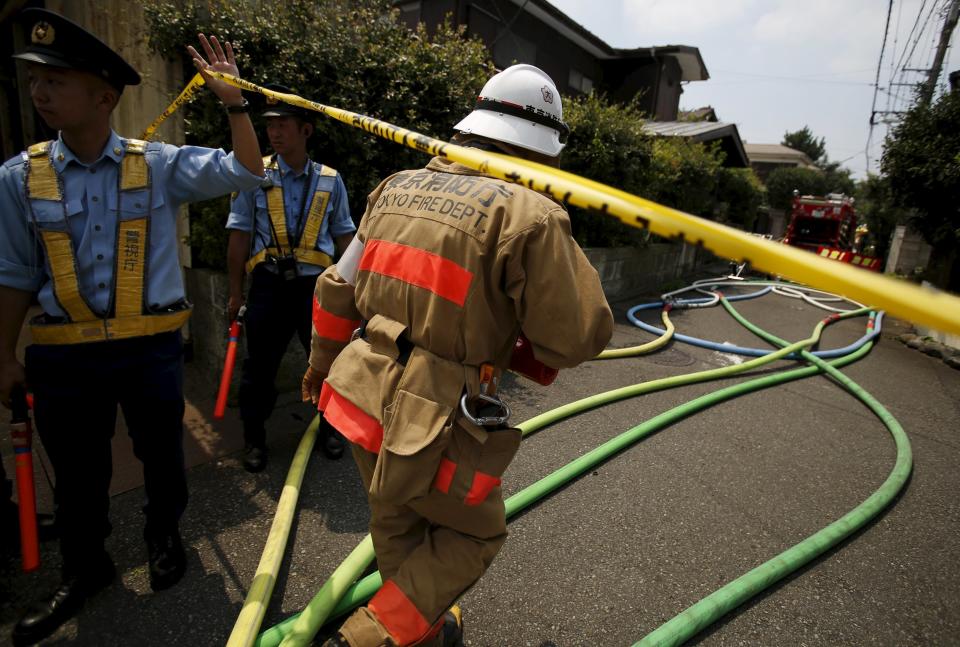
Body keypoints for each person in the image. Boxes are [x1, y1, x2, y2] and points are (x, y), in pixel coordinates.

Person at [302, 64, 613, 647]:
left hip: (358, 393)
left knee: (396, 523)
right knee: (473, 536)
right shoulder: (531, 215)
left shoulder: (395, 187)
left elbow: (336, 289)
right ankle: (366, 637)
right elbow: (577, 337)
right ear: (540, 151)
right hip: (434, 417)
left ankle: (417, 634)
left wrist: (319, 365)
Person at [0, 9, 265, 645]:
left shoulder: (161, 163)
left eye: (55, 80)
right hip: (63, 356)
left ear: (104, 95)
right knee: (78, 469)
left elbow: (249, 172)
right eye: (35, 81)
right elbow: (12, 271)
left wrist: (234, 104)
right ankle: (85, 568)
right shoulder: (19, 176)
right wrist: (3, 353)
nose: (39, 93)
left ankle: (164, 533)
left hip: (148, 349)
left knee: (161, 455)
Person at [226, 84, 355, 473]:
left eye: (284, 124)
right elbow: (238, 237)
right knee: (259, 368)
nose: (274, 133)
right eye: (270, 126)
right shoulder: (253, 175)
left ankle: (331, 429)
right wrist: (235, 294)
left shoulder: (331, 180)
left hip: (315, 289)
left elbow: (347, 237)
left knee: (329, 361)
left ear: (306, 130)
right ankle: (254, 439)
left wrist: (353, 291)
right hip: (267, 287)